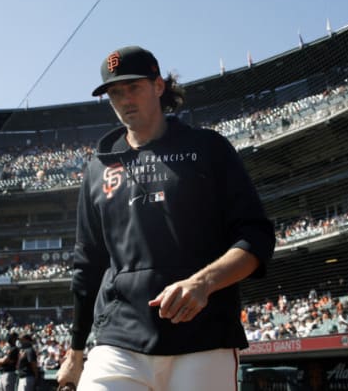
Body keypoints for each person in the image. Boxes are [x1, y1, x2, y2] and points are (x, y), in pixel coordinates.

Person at [56, 46, 275, 390]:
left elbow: (256, 237)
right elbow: (88, 265)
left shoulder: (208, 147)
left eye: (134, 88)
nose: (125, 99)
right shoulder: (98, 169)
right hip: (118, 340)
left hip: (204, 339)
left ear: (159, 86)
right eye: (115, 92)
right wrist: (76, 351)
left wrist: (203, 283)